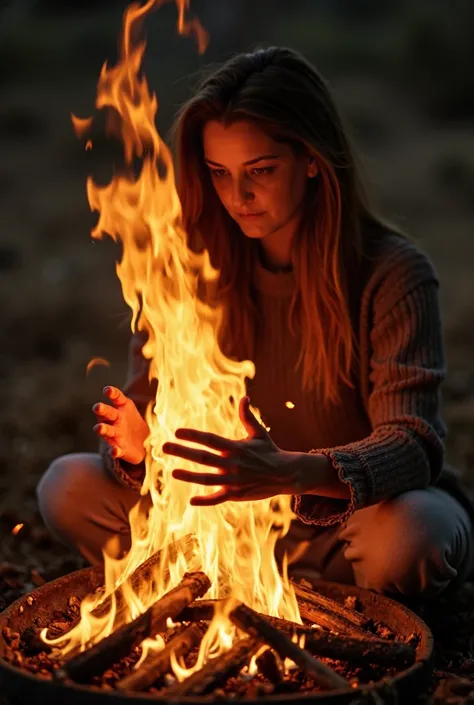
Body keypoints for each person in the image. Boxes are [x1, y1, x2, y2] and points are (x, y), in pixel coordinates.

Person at [37, 46, 474, 600]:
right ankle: (246, 585)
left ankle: (319, 596)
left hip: (349, 524)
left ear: (313, 158)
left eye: (261, 171)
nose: (238, 197)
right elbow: (145, 406)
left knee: (413, 536)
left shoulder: (391, 273)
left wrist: (292, 471)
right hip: (224, 521)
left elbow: (413, 445)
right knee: (68, 486)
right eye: (219, 173)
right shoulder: (188, 262)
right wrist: (137, 449)